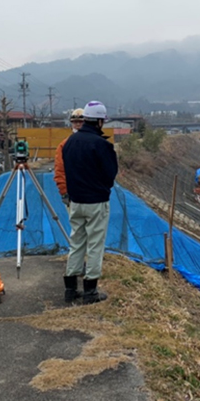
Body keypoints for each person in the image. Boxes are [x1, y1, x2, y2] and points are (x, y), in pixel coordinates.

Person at [62, 100, 118, 305]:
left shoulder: (69, 142)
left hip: (75, 201)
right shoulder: (102, 145)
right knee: (95, 244)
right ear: (100, 122)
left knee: (76, 241)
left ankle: (70, 289)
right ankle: (90, 290)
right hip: (96, 201)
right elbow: (110, 174)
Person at [54, 108, 84, 207]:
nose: (78, 124)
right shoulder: (64, 145)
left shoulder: (95, 142)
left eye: (80, 122)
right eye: (75, 122)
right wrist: (64, 191)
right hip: (75, 192)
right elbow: (60, 169)